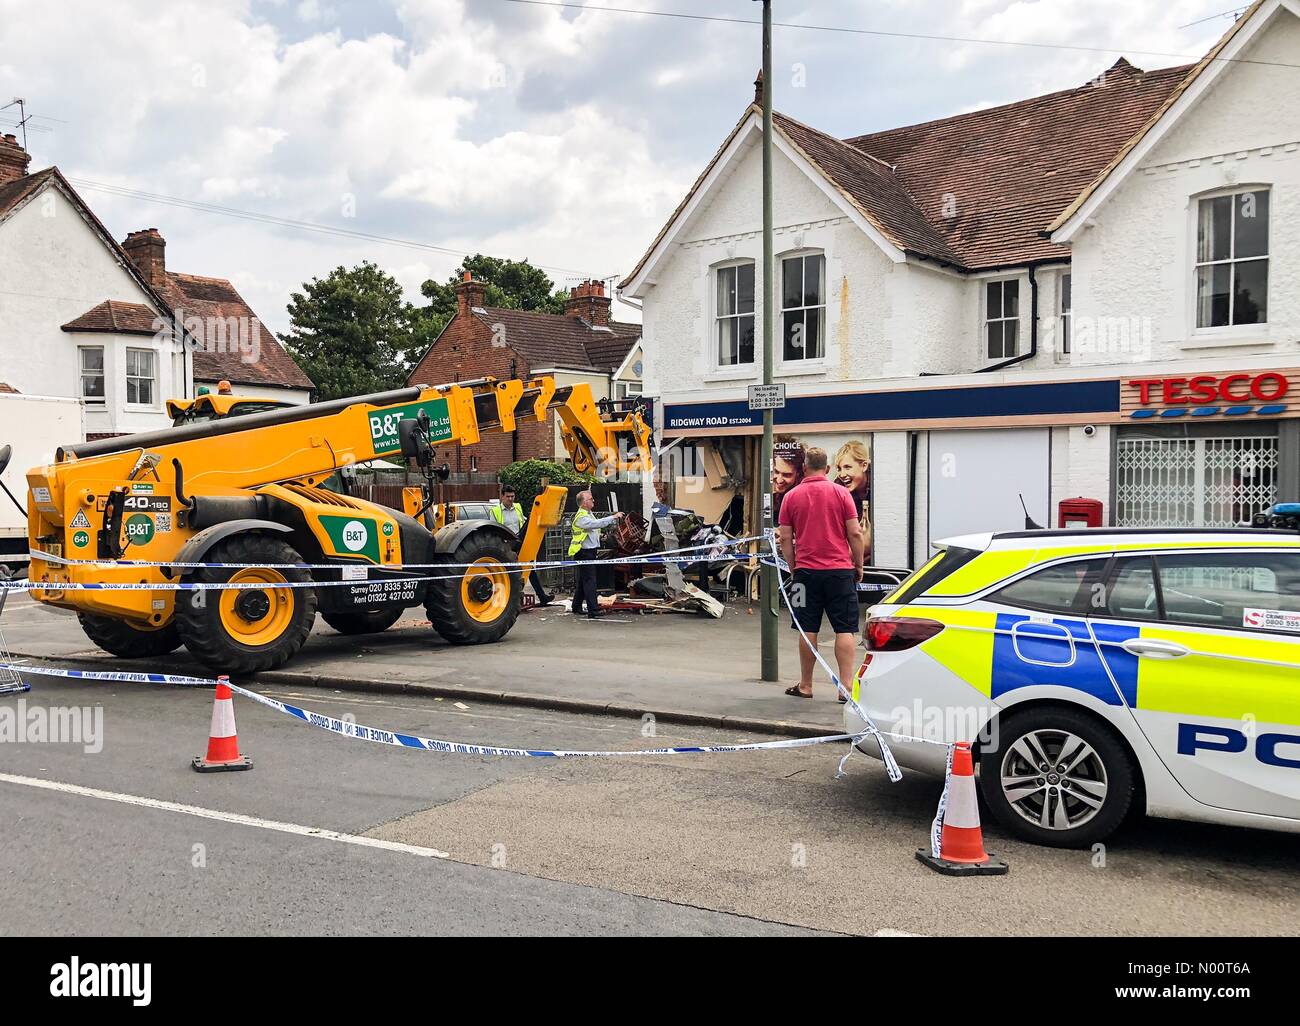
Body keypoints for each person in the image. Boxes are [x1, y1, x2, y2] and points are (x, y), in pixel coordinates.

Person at [777, 447, 865, 702]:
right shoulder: (841, 494)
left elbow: (784, 537)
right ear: (827, 469)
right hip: (840, 572)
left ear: (804, 468)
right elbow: (856, 533)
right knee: (845, 628)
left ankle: (806, 685)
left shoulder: (791, 497)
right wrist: (857, 566)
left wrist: (794, 568)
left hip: (805, 575)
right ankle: (845, 688)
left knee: (807, 628)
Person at [491, 485, 553, 606]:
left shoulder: (518, 507)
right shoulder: (495, 511)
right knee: (507, 572)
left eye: (512, 496)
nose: (510, 499)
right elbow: (494, 530)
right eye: (508, 496)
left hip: (518, 542)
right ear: (502, 496)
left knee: (529, 568)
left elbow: (524, 522)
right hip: (506, 545)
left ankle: (542, 596)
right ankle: (505, 599)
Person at [569, 490, 624, 619]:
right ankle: (593, 610)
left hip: (588, 551)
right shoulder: (581, 516)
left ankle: (576, 606)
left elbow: (592, 530)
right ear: (584, 502)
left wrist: (601, 537)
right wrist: (613, 517)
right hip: (583, 552)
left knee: (584, 581)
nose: (593, 501)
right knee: (590, 581)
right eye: (591, 499)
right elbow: (595, 524)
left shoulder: (588, 513)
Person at [833, 439, 874, 561]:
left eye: (847, 467)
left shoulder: (878, 487)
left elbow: (868, 541)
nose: (842, 474)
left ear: (864, 465)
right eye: (839, 468)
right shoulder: (838, 487)